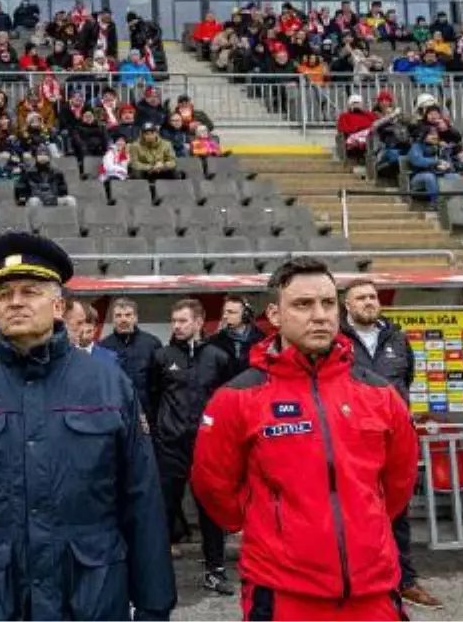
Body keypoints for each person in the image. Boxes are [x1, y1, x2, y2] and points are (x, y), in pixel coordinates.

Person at [0, 232, 176, 621]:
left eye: (29, 291)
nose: (15, 301)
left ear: (58, 306)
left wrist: (154, 606)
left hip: (92, 598)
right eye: (4, 295)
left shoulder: (109, 385)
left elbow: (142, 499)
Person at [192, 258, 419, 622]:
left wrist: (365, 521)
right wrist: (269, 523)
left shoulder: (379, 393)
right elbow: (213, 486)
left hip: (373, 592)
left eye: (328, 303)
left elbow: (398, 482)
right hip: (284, 594)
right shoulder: (237, 397)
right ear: (275, 314)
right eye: (303, 304)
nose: (320, 315)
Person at [340, 279, 442, 610]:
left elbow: (405, 379)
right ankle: (359, 581)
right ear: (347, 305)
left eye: (372, 296)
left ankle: (405, 580)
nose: (369, 302)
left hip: (394, 441)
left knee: (398, 511)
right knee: (353, 513)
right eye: (361, 298)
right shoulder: (335, 339)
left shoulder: (397, 338)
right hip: (351, 442)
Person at [149, 298, 238, 591]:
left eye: (183, 320)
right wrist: (159, 432)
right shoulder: (161, 356)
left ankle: (215, 570)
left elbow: (228, 401)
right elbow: (153, 397)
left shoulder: (218, 357)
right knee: (162, 509)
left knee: (209, 511)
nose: (177, 326)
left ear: (199, 322)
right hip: (170, 446)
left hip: (205, 448)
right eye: (174, 320)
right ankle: (156, 576)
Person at [99, 296, 161, 415]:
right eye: (118, 315)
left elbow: (159, 385)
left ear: (135, 318)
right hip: (116, 414)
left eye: (128, 315)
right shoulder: (103, 347)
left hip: (147, 414)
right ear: (113, 319)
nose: (123, 319)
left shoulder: (152, 344)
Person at [207, 295, 266, 373]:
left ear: (245, 315)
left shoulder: (261, 339)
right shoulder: (215, 341)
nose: (225, 316)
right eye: (224, 312)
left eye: (231, 312)